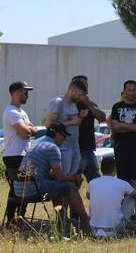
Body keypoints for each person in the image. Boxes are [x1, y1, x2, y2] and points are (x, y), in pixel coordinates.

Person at [13, 123, 90, 233]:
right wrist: (74, 177)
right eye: (63, 136)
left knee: (56, 186)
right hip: (33, 189)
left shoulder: (37, 144)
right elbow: (59, 177)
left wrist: (66, 177)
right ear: (57, 134)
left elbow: (50, 175)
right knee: (71, 187)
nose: (63, 140)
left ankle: (62, 220)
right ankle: (86, 220)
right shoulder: (52, 148)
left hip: (19, 189)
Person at [110, 80, 136, 223]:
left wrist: (124, 126)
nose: (131, 92)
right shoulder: (117, 107)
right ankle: (124, 212)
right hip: (121, 148)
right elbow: (115, 127)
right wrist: (135, 126)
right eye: (129, 90)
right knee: (122, 181)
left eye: (134, 90)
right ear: (124, 91)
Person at [2, 81, 37, 223]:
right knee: (22, 188)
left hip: (21, 156)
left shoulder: (22, 112)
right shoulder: (11, 111)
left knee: (20, 188)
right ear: (16, 93)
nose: (27, 95)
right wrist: (29, 129)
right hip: (15, 156)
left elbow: (33, 129)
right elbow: (24, 133)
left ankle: (16, 217)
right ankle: (15, 218)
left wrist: (30, 129)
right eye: (25, 92)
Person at [87, 157, 136, 237]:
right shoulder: (122, 183)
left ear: (101, 169)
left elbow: (88, 196)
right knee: (132, 198)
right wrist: (134, 184)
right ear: (115, 169)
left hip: (94, 228)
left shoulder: (92, 183)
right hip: (115, 228)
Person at [45, 79, 88, 176]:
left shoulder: (74, 104)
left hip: (75, 146)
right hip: (63, 147)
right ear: (72, 91)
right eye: (80, 95)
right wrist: (71, 122)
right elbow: (48, 124)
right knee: (64, 177)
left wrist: (80, 117)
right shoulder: (58, 102)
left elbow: (75, 123)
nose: (81, 98)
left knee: (72, 177)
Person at [72, 75, 106, 182]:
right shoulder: (69, 104)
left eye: (86, 85)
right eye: (81, 84)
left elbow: (102, 117)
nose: (84, 87)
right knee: (74, 182)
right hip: (75, 150)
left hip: (89, 150)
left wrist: (88, 104)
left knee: (95, 181)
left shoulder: (90, 104)